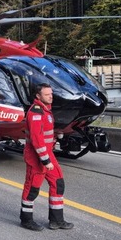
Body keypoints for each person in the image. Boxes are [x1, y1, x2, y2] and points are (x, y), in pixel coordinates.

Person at [20, 83, 73, 231]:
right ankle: (26, 220)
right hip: (37, 158)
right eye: (47, 94)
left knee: (58, 183)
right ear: (38, 96)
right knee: (32, 189)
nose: (51, 96)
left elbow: (45, 135)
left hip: (47, 155)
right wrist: (45, 160)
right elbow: (37, 139)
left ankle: (56, 220)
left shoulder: (45, 110)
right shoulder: (36, 112)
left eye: (51, 93)